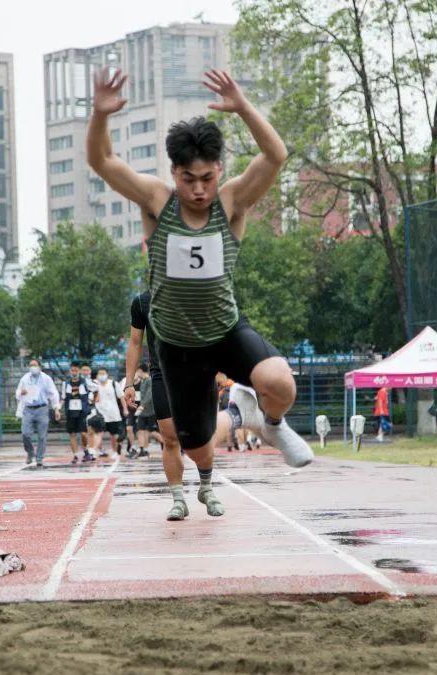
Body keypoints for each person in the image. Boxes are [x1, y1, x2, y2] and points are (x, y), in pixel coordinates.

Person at [87, 66, 312, 497]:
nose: (198, 190)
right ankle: (242, 414)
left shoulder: (232, 202)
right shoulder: (156, 201)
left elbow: (275, 156)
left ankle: (273, 423)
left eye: (207, 178)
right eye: (188, 179)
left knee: (281, 381)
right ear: (174, 173)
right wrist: (100, 115)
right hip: (175, 346)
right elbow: (103, 161)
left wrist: (243, 106)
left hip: (225, 330)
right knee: (199, 450)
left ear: (219, 170)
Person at [124, 290, 256, 520]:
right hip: (162, 375)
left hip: (200, 373)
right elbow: (135, 343)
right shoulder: (142, 302)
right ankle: (178, 500)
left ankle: (206, 488)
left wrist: (222, 369)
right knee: (170, 437)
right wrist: (129, 383)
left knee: (203, 435)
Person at [15, 358, 60, 468]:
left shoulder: (46, 379)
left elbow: (53, 393)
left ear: (40, 366)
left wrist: (56, 408)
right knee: (25, 433)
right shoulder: (25, 378)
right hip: (28, 408)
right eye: (31, 365)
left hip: (42, 409)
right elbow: (17, 392)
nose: (33, 367)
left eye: (35, 365)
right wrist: (21, 392)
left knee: (42, 436)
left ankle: (39, 458)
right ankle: (30, 452)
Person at [61, 361, 96, 464]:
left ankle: (86, 450)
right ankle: (75, 455)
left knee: (84, 434)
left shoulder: (85, 382)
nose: (74, 372)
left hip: (82, 411)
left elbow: (96, 389)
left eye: (76, 370)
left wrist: (92, 400)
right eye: (72, 370)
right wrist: (58, 408)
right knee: (72, 434)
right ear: (70, 371)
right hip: (70, 411)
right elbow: (63, 398)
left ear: (79, 371)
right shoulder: (65, 383)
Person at [90, 367, 126, 460]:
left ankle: (115, 451)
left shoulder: (113, 384)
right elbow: (92, 399)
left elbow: (121, 397)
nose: (102, 375)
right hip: (100, 414)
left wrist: (125, 409)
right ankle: (94, 450)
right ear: (97, 375)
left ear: (107, 374)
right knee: (98, 433)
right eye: (100, 373)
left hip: (113, 414)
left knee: (114, 435)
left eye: (103, 373)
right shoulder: (95, 385)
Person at [134, 363, 160, 458]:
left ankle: (169, 444)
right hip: (143, 412)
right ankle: (142, 450)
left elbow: (149, 394)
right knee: (140, 430)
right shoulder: (143, 381)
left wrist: (142, 405)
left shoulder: (149, 380)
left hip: (150, 411)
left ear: (140, 371)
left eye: (137, 371)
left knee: (152, 432)